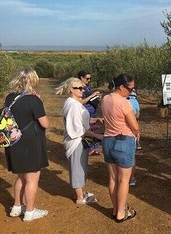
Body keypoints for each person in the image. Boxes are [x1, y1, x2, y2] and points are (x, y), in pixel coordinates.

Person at [5, 68, 50, 222]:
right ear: (33, 80)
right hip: (30, 143)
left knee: (21, 176)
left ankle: (17, 207)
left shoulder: (9, 98)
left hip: (13, 140)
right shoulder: (34, 100)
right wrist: (40, 102)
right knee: (32, 178)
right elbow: (45, 124)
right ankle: (30, 212)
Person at [55, 78, 104, 205]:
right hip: (76, 141)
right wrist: (97, 136)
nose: (82, 90)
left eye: (82, 88)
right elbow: (79, 129)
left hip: (78, 141)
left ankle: (81, 193)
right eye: (79, 88)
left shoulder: (73, 103)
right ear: (71, 89)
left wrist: (95, 120)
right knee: (77, 168)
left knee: (80, 167)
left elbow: (80, 121)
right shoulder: (73, 105)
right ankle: (80, 198)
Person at [101, 74, 139, 223]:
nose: (131, 91)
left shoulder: (105, 99)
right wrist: (137, 131)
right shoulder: (124, 102)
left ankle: (116, 208)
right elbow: (134, 126)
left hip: (108, 141)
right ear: (122, 87)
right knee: (124, 180)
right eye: (130, 88)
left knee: (113, 178)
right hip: (123, 141)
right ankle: (122, 213)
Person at [77, 70, 101, 155]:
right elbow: (81, 102)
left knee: (93, 129)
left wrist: (96, 97)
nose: (89, 80)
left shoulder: (87, 86)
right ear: (81, 78)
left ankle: (93, 148)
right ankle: (88, 149)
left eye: (90, 78)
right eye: (87, 78)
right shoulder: (79, 89)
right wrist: (92, 96)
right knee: (87, 130)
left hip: (92, 111)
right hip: (85, 112)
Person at [127, 89, 140, 186]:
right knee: (131, 157)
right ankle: (131, 178)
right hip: (131, 131)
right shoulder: (135, 102)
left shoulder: (119, 101)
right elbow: (137, 115)